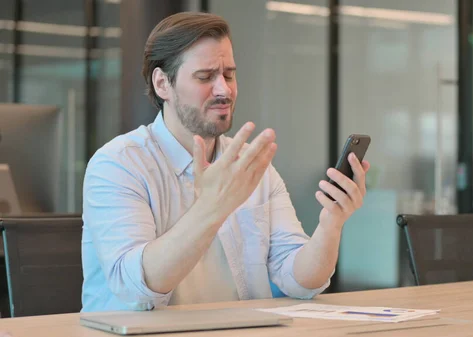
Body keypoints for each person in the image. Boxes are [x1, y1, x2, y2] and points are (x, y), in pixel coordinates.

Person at [81, 11, 370, 312]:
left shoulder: (252, 165)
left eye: (229, 74)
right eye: (205, 77)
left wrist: (331, 223)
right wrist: (212, 206)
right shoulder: (118, 164)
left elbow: (300, 280)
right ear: (162, 84)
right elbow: (137, 287)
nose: (224, 90)